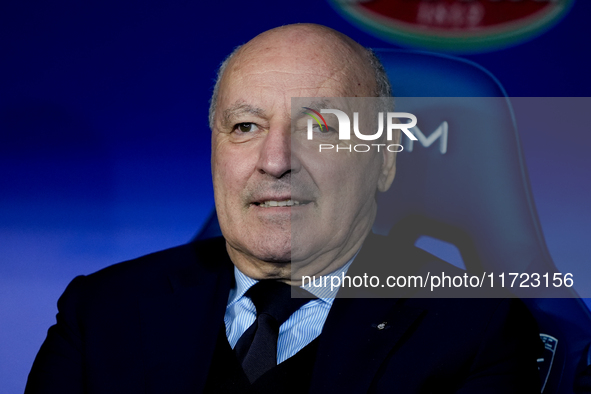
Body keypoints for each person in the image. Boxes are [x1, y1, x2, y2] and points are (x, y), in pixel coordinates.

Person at [25, 24, 541, 393]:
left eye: (320, 128)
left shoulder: (476, 332)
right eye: (245, 127)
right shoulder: (100, 310)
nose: (274, 161)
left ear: (384, 161)